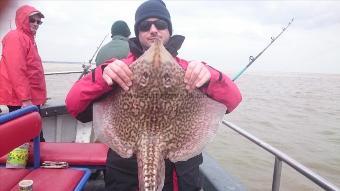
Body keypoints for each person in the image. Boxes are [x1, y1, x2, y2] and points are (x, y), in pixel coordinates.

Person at [65, 0, 242, 190]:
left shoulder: (188, 70)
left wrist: (210, 76)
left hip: (180, 177)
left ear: (169, 30)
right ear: (137, 32)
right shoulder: (120, 70)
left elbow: (233, 99)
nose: (153, 30)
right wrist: (102, 75)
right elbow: (74, 105)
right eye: (145, 26)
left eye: (160, 24)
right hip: (126, 175)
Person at [0, 5, 46, 141]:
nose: (36, 24)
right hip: (21, 100)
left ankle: (35, 159)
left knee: (35, 136)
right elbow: (17, 70)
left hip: (31, 98)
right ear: (23, 19)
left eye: (39, 22)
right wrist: (25, 99)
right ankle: (24, 162)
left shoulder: (28, 39)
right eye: (33, 20)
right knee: (24, 140)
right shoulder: (16, 37)